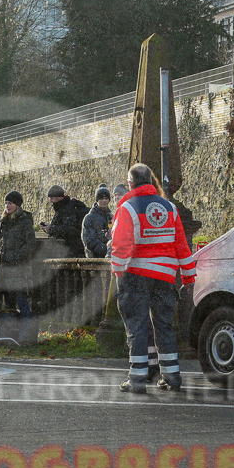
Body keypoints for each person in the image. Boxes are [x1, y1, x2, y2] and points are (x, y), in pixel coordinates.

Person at [111, 163, 194, 393]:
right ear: (151, 181)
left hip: (136, 275)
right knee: (164, 326)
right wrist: (188, 276)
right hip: (166, 277)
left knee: (137, 326)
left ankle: (137, 379)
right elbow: (181, 245)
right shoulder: (169, 208)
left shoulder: (128, 208)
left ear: (130, 183)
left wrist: (119, 273)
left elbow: (120, 245)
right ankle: (172, 376)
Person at [0, 191, 37, 342]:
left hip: (17, 268)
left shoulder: (25, 221)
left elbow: (30, 244)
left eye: (10, 203)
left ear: (17, 205)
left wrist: (15, 257)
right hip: (3, 267)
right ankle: (10, 334)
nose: (7, 206)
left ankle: (27, 334)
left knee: (21, 300)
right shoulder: (4, 221)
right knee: (8, 303)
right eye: (6, 203)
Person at [39, 184, 89, 257]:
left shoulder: (67, 209)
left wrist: (51, 229)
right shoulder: (63, 207)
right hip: (68, 249)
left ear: (58, 197)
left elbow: (69, 229)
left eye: (52, 198)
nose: (50, 201)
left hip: (71, 250)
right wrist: (49, 226)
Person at [82, 184, 112, 258]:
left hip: (111, 257)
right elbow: (89, 241)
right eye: (101, 198)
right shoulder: (89, 218)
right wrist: (106, 250)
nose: (104, 201)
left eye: (106, 198)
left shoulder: (111, 217)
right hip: (95, 259)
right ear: (97, 200)